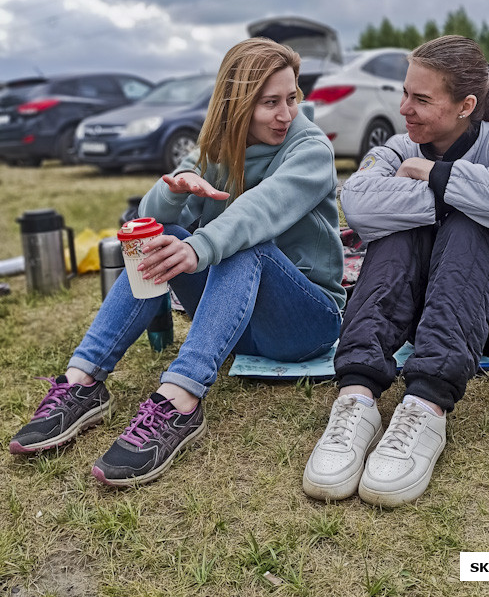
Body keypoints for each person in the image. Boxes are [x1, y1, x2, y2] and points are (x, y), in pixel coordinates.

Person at [10, 38, 345, 486]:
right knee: (161, 237)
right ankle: (82, 381)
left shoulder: (310, 150)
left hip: (305, 323)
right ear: (237, 103)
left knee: (247, 243)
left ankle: (180, 400)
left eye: (291, 98)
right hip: (237, 329)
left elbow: (259, 211)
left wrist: (200, 247)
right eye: (270, 103)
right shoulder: (215, 148)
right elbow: (141, 221)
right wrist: (175, 189)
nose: (285, 113)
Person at [303, 35, 489, 508]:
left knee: (468, 217)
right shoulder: (401, 147)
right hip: (436, 313)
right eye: (404, 93)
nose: (404, 108)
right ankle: (356, 398)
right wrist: (472, 196)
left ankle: (426, 405)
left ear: (466, 105)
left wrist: (435, 176)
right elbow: (357, 203)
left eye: (420, 99)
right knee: (409, 225)